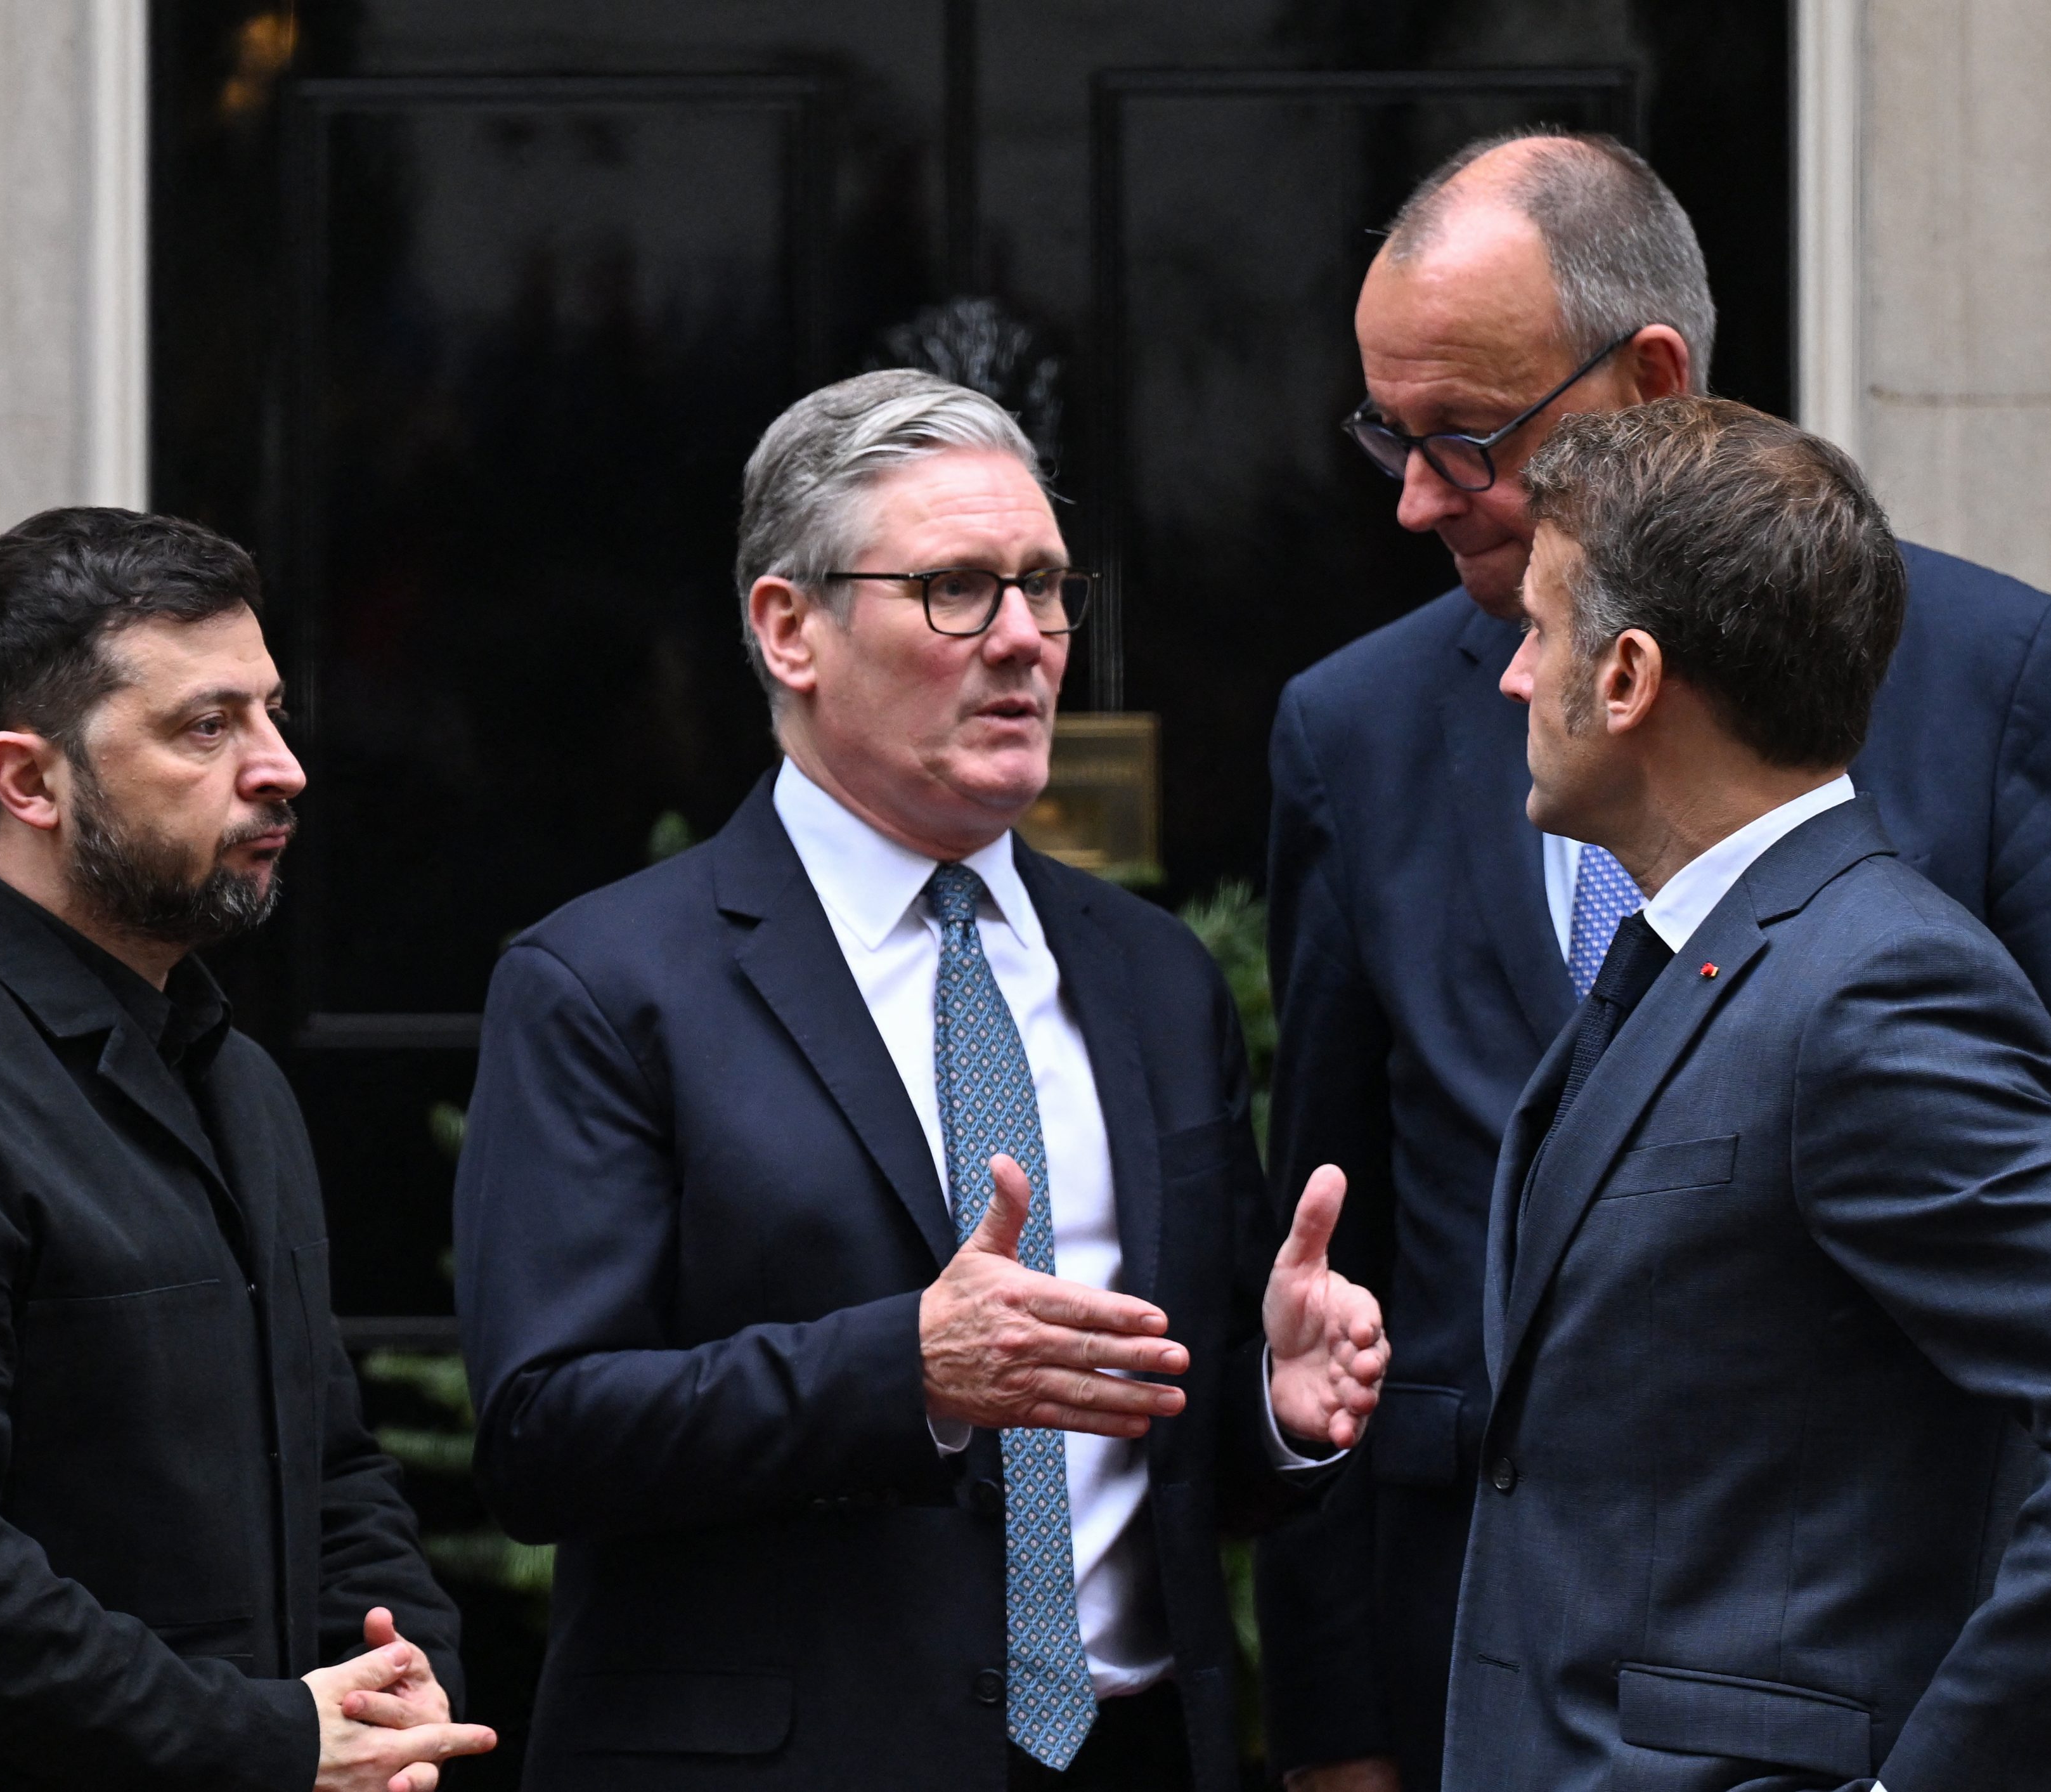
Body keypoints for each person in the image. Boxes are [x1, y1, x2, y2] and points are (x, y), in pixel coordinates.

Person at [1257, 133, 2051, 1792]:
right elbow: (1346, 1214)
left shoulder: (1987, 703)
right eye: (1389, 432)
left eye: (1463, 437)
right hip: (1497, 1690)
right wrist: (1340, 1716)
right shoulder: (1352, 729)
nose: (1414, 497)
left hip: (1830, 1692)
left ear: (1647, 379)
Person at [453, 369, 1389, 1792]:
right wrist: (910, 1371)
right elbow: (544, 1434)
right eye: (956, 588)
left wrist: (1276, 1406)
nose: (1022, 640)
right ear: (789, 630)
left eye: (1045, 589)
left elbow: (1151, 1424)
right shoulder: (608, 984)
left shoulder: (1148, 975)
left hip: (1134, 1753)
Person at [1457, 393, 2051, 1791]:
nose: (1515, 678)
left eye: (1539, 628)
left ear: (1629, 676)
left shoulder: (1875, 992)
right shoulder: (1711, 953)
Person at [0, 509, 496, 1791]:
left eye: (270, 711)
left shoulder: (234, 1078)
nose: (281, 765)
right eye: (206, 727)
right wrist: (270, 1739)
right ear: (29, 780)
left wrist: (400, 1669)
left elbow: (328, 1462)